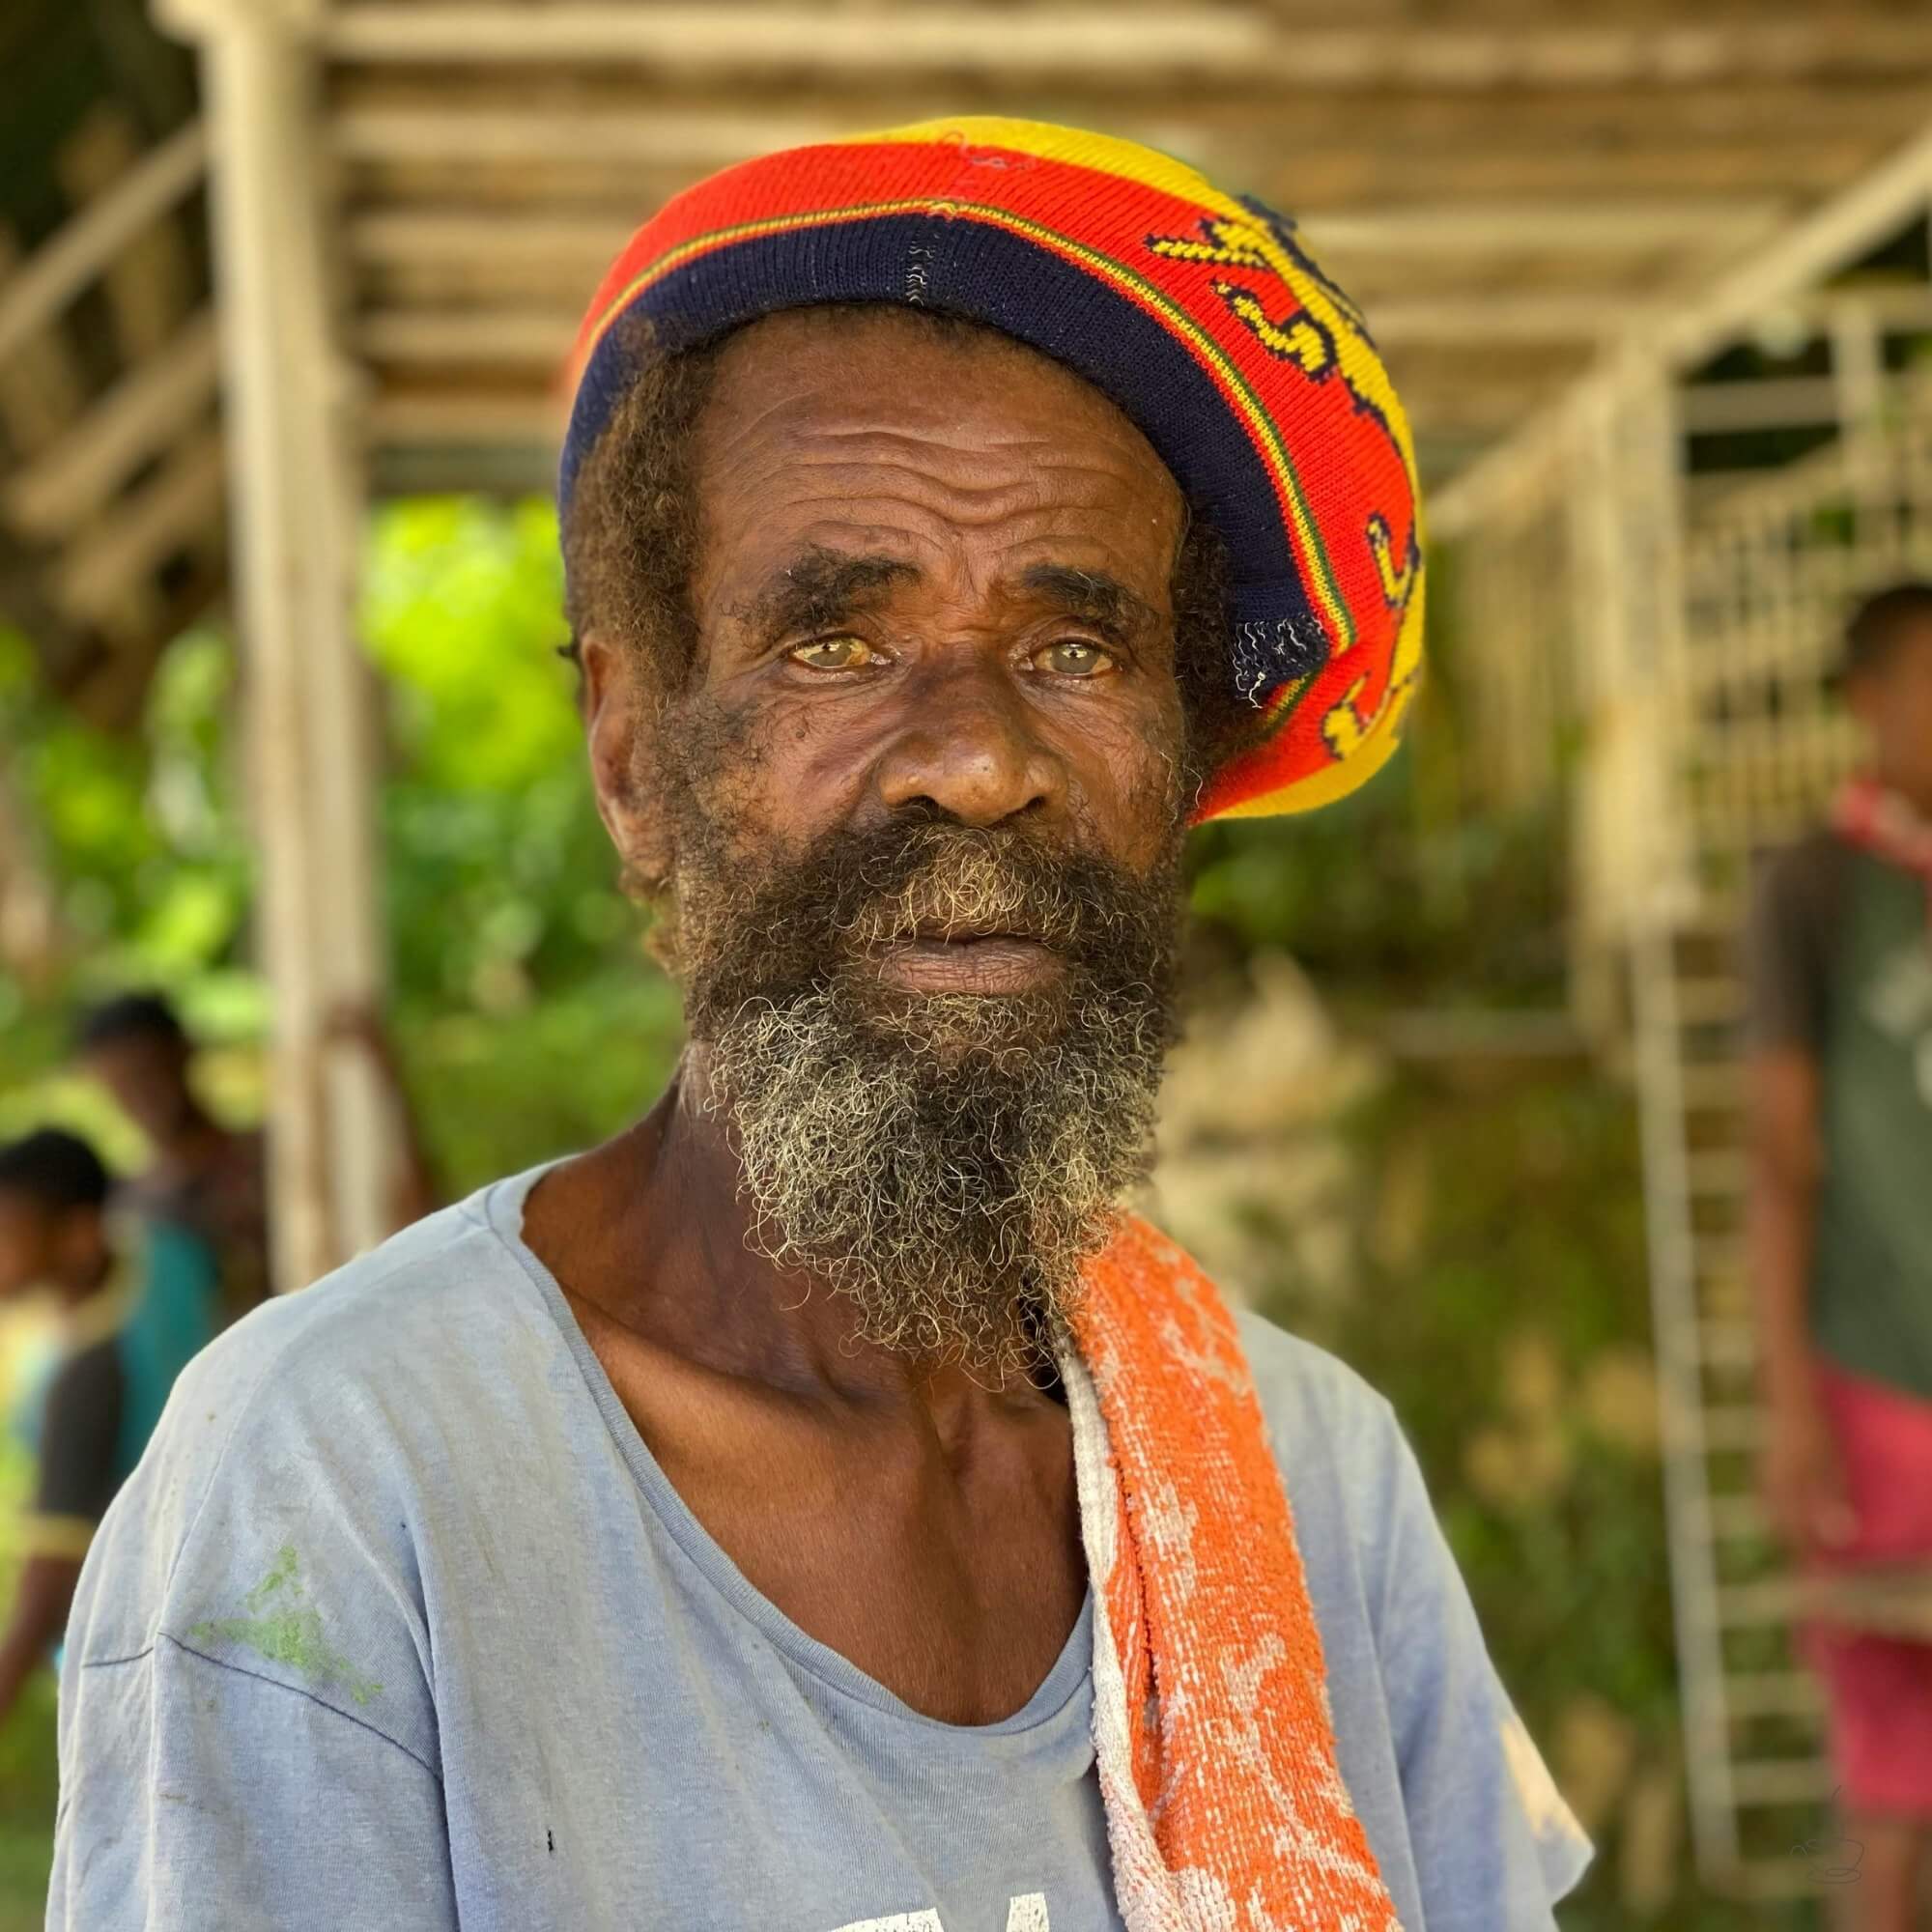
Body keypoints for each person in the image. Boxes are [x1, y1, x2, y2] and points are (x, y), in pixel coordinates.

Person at [52, 120, 1589, 1930]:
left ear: (1180, 773)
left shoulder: (1308, 1477)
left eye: (1079, 652)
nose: (979, 759)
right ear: (635, 758)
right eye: (838, 644)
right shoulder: (337, 1485)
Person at [1749, 582, 1932, 1932]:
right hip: (1881, 1381)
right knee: (1892, 1778)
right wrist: (1788, 1401)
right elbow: (1780, 1157)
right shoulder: (1814, 888)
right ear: (1864, 704)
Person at [0, 1129, 220, 1726]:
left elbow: (52, 1572)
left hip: (146, 1641)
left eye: (7, 1236)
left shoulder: (85, 1374)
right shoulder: (168, 1256)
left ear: (76, 1236)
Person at [75, 992, 273, 1315]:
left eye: (148, 1072)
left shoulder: (269, 1154)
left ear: (183, 1051)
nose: (142, 1094)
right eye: (122, 1083)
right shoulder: (126, 1210)